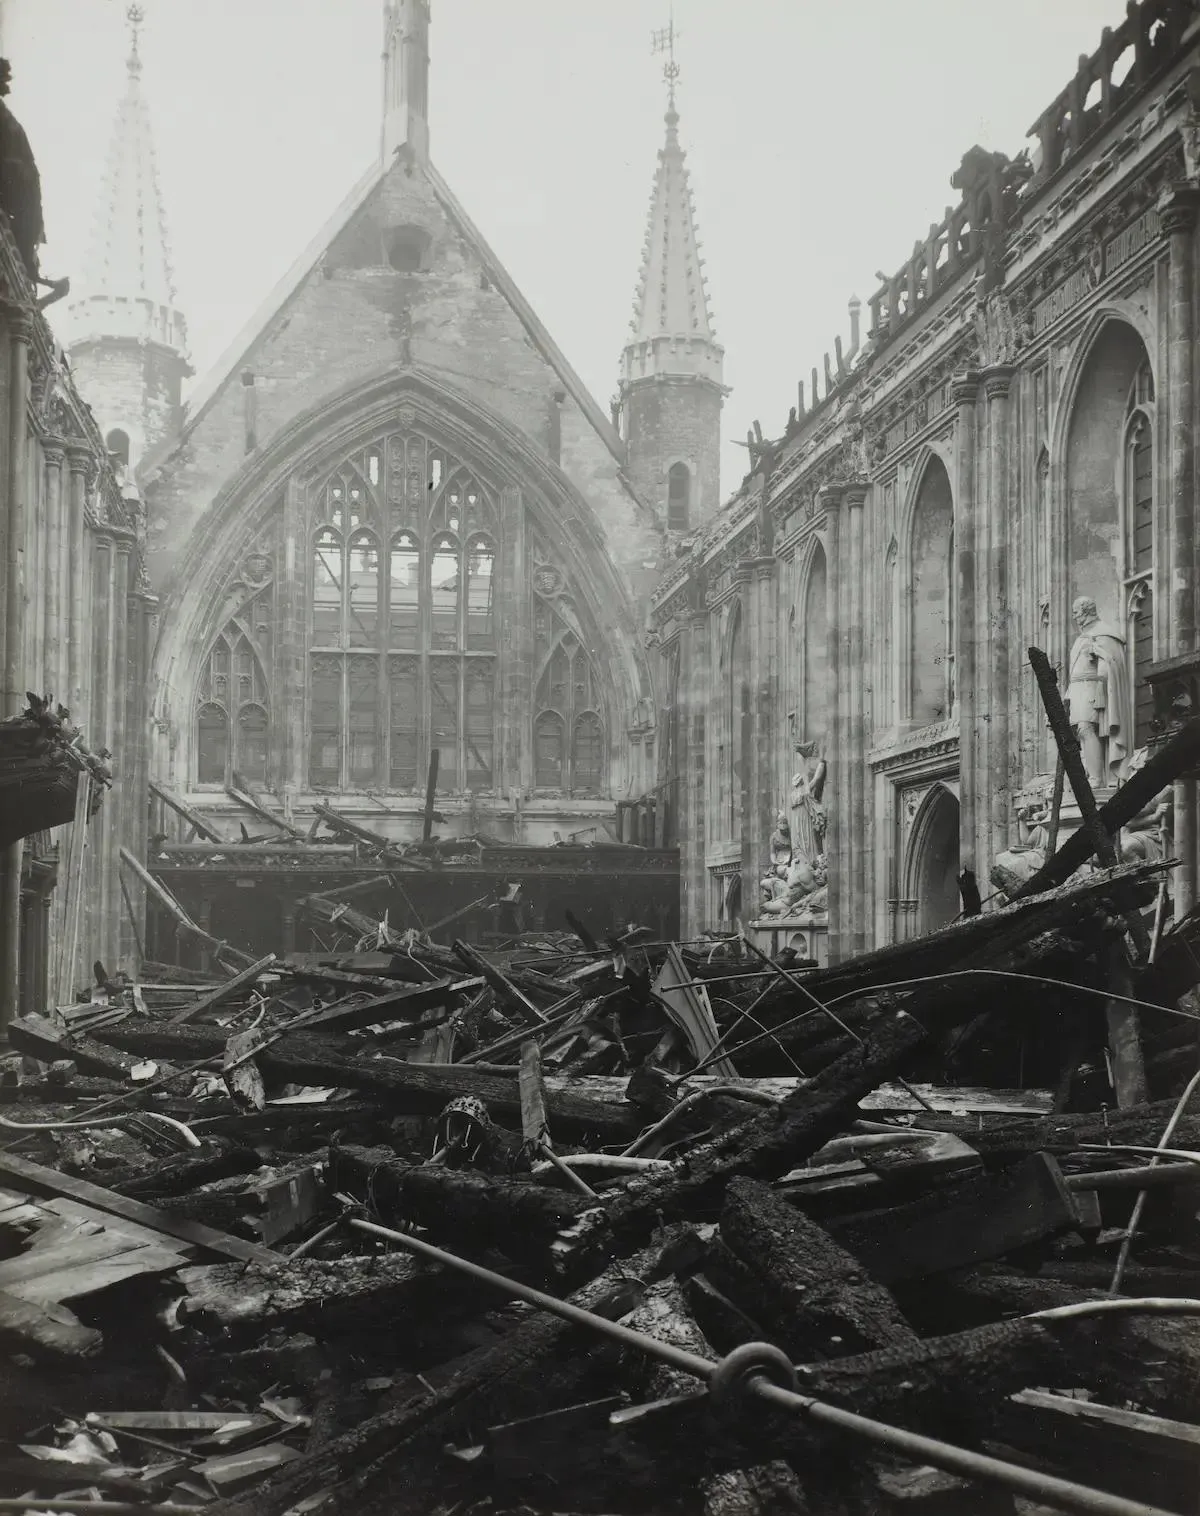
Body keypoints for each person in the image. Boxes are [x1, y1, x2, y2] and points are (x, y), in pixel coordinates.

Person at [1066, 595, 1132, 788]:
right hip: (1078, 690)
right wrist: (1068, 695)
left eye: (1076, 612)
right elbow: (1075, 669)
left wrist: (1100, 656)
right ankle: (1091, 775)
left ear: (1086, 612)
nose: (1074, 617)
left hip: (1093, 689)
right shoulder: (1082, 637)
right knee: (1081, 731)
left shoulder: (1105, 634)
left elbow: (1112, 664)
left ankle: (1097, 779)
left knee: (1086, 727)